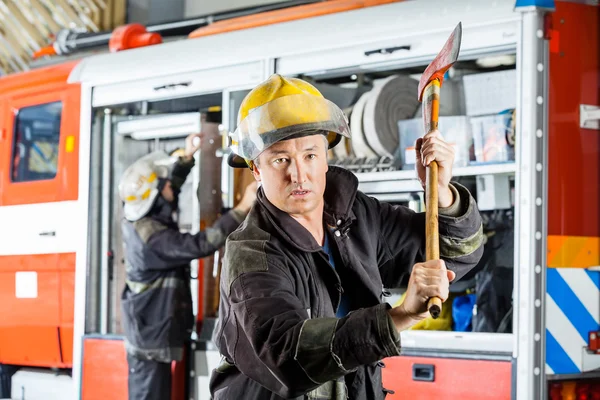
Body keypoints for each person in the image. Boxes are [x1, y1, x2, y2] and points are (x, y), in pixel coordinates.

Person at [209, 75, 484, 400]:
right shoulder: (251, 251)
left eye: (310, 155)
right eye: (280, 159)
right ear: (256, 168)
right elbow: (287, 355)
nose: (298, 174)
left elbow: (454, 256)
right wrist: (398, 316)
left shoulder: (356, 216)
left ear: (326, 156)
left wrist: (440, 192)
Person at [118, 132, 257, 400]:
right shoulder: (153, 239)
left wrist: (186, 157)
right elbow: (201, 244)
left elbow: (169, 189)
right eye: (166, 185)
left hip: (152, 328)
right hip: (149, 336)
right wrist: (241, 209)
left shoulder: (148, 216)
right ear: (156, 196)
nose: (172, 187)